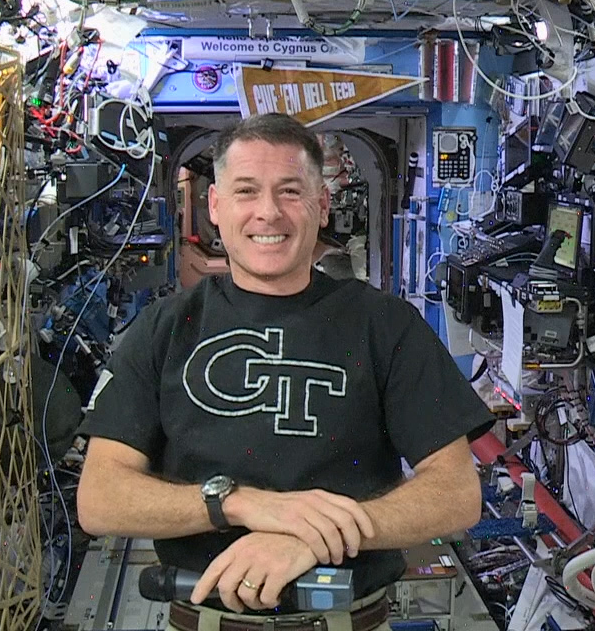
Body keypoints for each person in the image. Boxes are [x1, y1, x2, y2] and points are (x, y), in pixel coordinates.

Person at [76, 113, 494, 631]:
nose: (268, 213)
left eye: (290, 192)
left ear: (321, 206)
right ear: (216, 206)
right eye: (247, 191)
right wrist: (239, 504)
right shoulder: (164, 329)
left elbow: (456, 495)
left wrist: (309, 535)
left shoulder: (386, 327)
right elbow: (100, 498)